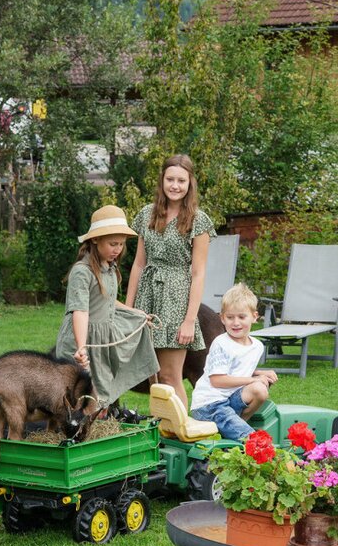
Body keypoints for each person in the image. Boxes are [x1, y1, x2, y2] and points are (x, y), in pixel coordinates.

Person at [125, 153, 215, 411]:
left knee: (169, 376)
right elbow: (139, 264)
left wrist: (189, 320)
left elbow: (198, 273)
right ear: (162, 181)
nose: (175, 185)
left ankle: (181, 432)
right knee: (154, 378)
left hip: (176, 300)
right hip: (147, 298)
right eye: (170, 179)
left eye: (181, 181)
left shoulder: (199, 221)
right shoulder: (146, 215)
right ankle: (162, 434)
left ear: (190, 184)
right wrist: (129, 308)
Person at [55, 205, 158, 412]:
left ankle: (96, 429)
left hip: (103, 339)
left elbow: (108, 300)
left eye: (121, 244)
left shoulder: (110, 268)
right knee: (80, 395)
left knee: (101, 395)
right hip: (84, 339)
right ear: (95, 240)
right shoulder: (82, 272)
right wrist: (81, 346)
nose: (118, 249)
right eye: (113, 244)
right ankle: (77, 434)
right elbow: (80, 310)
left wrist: (134, 313)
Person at [189, 283, 279, 441]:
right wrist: (253, 379)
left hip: (229, 400)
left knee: (260, 388)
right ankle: (240, 432)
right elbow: (217, 380)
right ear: (222, 318)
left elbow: (236, 370)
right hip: (210, 405)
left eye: (242, 317)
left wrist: (259, 373)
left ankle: (237, 424)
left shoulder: (256, 346)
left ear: (254, 316)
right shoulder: (221, 343)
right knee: (253, 440)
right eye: (230, 317)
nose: (235, 322)